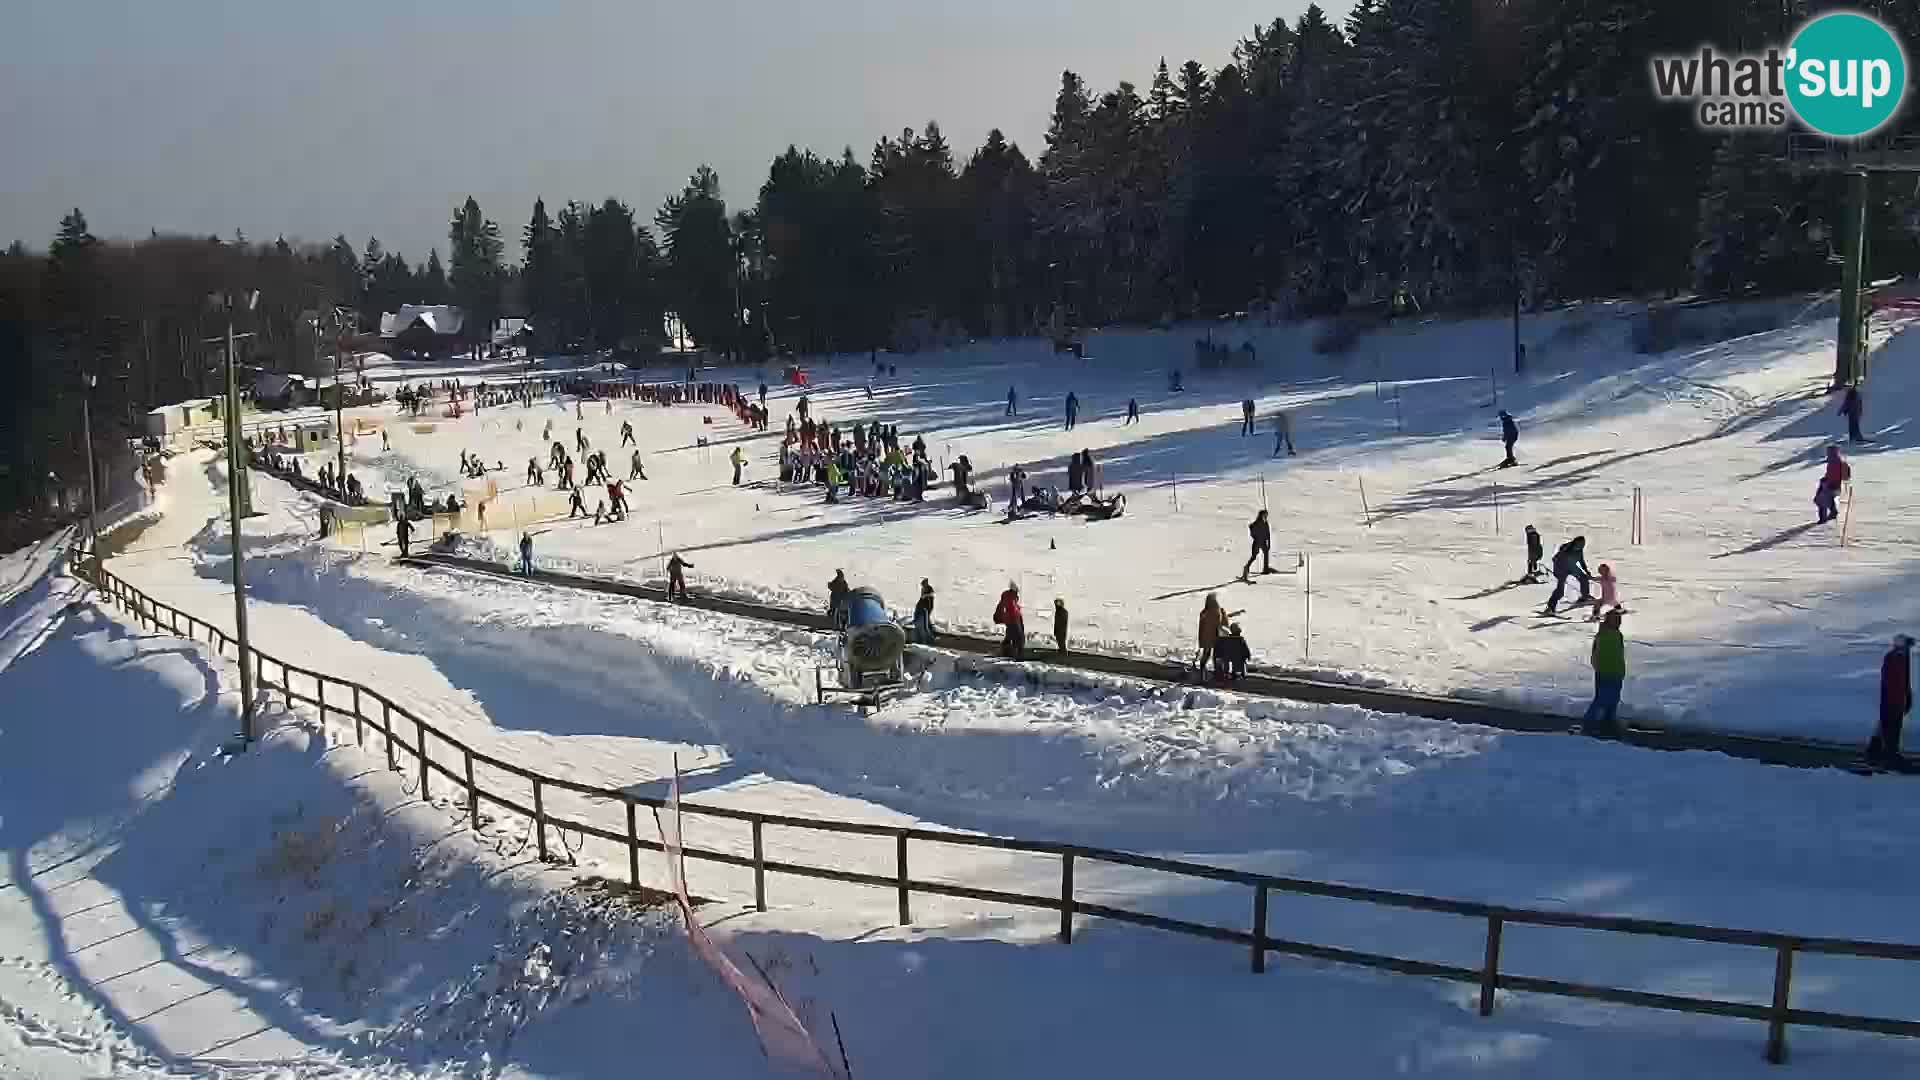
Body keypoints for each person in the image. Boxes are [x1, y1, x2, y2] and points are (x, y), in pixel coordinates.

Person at [1870, 635, 1913, 766]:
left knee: (1889, 724)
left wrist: (1908, 696)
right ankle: (1889, 754)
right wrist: (1900, 698)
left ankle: (1876, 751)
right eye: (1907, 646)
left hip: (1897, 699)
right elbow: (1891, 681)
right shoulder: (1893, 657)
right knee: (1891, 725)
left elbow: (1905, 680)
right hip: (1892, 699)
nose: (1909, 649)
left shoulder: (1903, 657)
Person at [1584, 610, 1626, 733]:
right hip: (1604, 672)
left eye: (1619, 620)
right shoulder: (1602, 635)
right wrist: (1598, 667)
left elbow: (1620, 654)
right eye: (1615, 619)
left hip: (1617, 672)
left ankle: (1608, 721)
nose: (1618, 622)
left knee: (1614, 699)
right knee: (1602, 699)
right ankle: (1589, 723)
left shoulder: (1618, 635)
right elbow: (1596, 652)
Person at [1197, 594, 1243, 679]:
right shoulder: (1212, 612)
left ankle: (1210, 673)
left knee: (1212, 655)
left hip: (1212, 638)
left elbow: (1221, 622)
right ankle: (1215, 673)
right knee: (1215, 656)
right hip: (1215, 638)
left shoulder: (1206, 612)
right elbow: (1221, 623)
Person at [1543, 536, 1592, 615]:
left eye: (1583, 544)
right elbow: (1555, 558)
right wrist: (1558, 571)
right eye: (1581, 544)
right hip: (1561, 569)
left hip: (1572, 567)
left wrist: (1586, 571)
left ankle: (1585, 596)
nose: (1582, 546)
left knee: (1583, 578)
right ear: (1576, 543)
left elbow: (1581, 560)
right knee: (1560, 591)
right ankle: (1550, 608)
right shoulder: (1566, 548)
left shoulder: (1579, 550)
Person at [1815, 445, 1850, 524]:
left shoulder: (1836, 462)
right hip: (1831, 485)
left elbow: (1837, 476)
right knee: (1824, 499)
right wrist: (1824, 479)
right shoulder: (1834, 461)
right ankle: (1833, 512)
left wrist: (1827, 482)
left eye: (1829, 452)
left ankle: (1823, 518)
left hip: (1833, 486)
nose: (1827, 453)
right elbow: (1830, 474)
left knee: (1821, 500)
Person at [993, 583, 1025, 659]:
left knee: (1010, 636)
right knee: (1018, 638)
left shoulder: (1009, 597)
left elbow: (1002, 607)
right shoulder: (1010, 598)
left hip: (1011, 620)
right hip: (1013, 620)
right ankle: (1017, 655)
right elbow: (1012, 611)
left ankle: (1006, 651)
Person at [1242, 509, 1273, 581]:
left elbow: (1268, 534)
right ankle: (1246, 567)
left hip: (1263, 542)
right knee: (1254, 556)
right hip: (1258, 541)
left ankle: (1265, 569)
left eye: (1266, 515)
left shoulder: (1266, 523)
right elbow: (1251, 529)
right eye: (1265, 514)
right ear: (1261, 515)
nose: (1266, 516)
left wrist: (1268, 543)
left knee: (1266, 552)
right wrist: (1256, 537)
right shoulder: (1257, 522)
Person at [913, 579, 936, 645]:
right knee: (924, 625)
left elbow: (930, 597)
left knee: (925, 627)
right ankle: (927, 639)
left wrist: (926, 596)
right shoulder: (925, 591)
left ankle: (930, 640)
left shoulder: (929, 590)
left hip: (924, 610)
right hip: (922, 610)